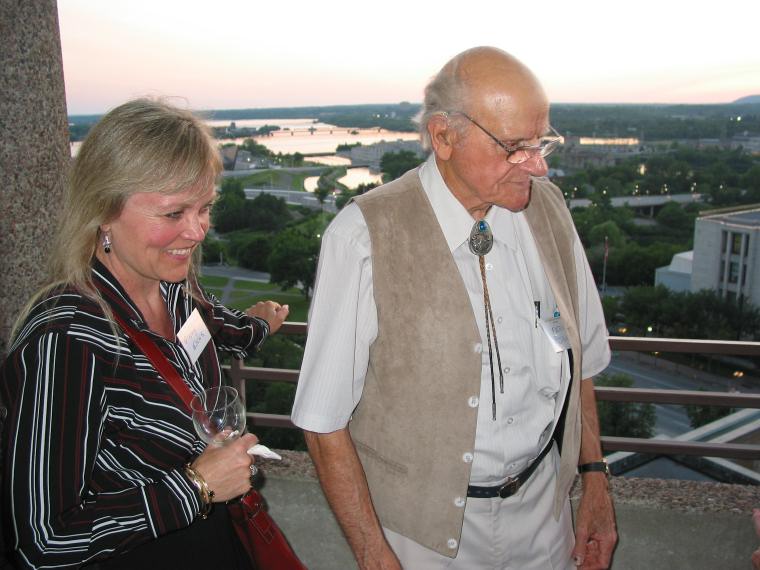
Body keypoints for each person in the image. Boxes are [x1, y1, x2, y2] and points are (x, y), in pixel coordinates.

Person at [292, 47, 617, 569]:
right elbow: (323, 424)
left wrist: (595, 480)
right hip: (420, 543)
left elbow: (580, 365)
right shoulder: (364, 237)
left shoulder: (549, 210)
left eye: (541, 142)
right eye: (515, 146)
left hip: (546, 524)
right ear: (444, 137)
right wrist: (376, 557)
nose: (536, 165)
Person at [0, 99, 289, 568]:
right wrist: (195, 486)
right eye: (174, 214)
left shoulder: (174, 290)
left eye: (205, 208)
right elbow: (42, 540)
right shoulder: (69, 340)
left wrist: (257, 325)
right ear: (103, 212)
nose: (197, 232)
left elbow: (217, 328)